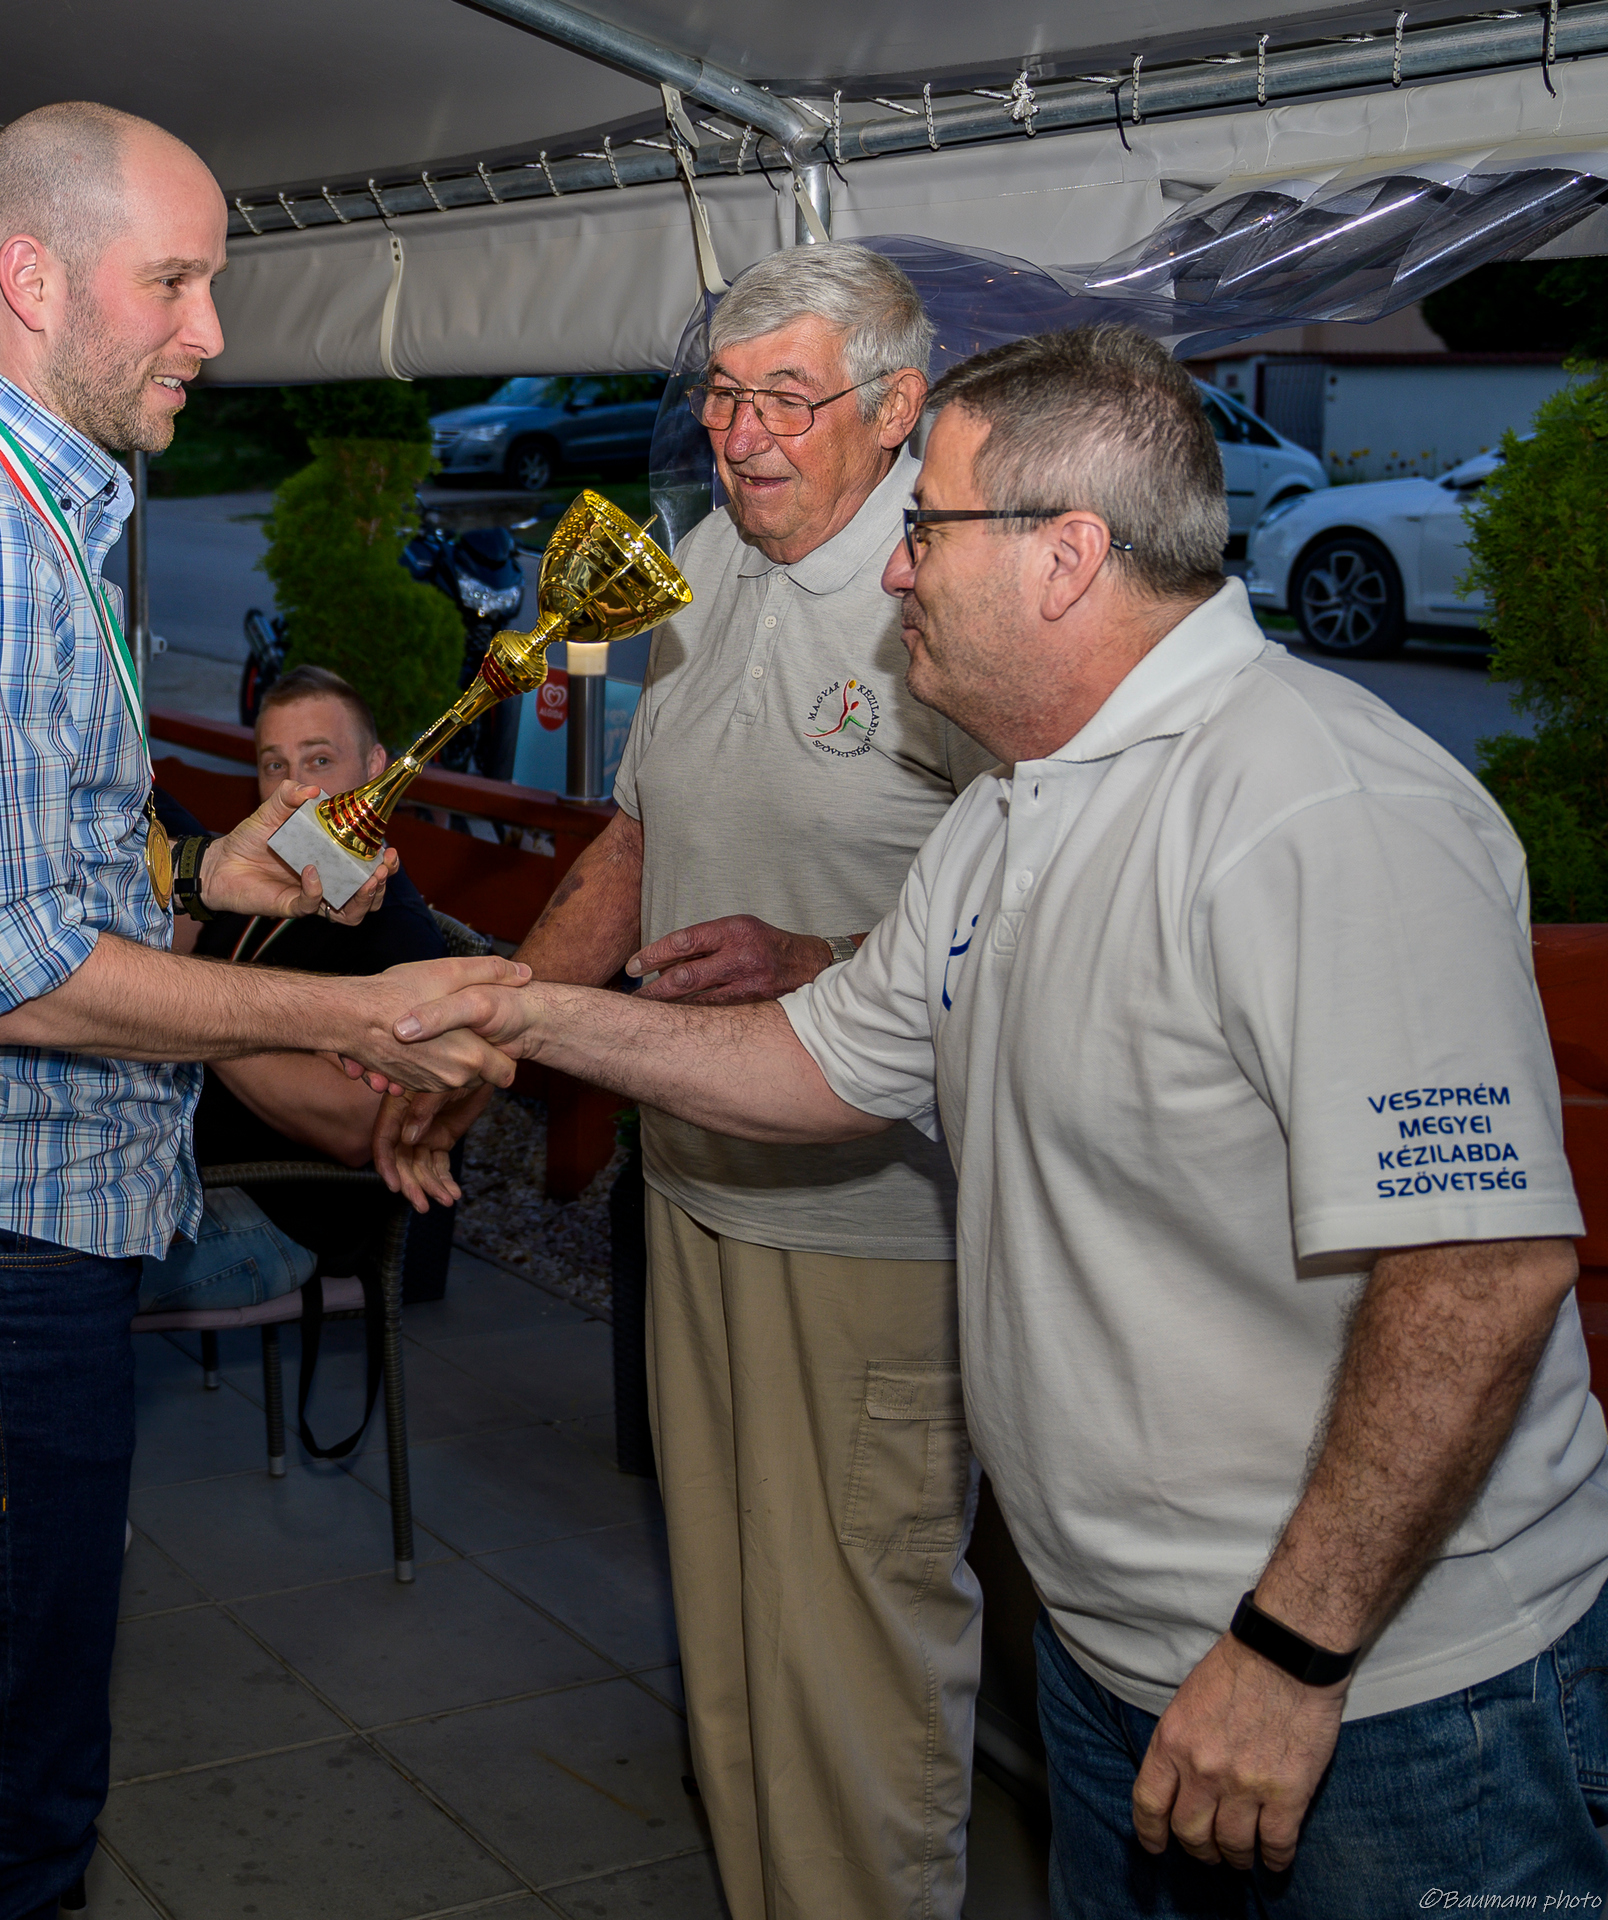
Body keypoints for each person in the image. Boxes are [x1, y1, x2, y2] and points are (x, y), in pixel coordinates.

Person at [384, 325, 1608, 1910]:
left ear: (1066, 555)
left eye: (925, 526)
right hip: (1118, 1659)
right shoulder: (1014, 808)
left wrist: (1291, 1651)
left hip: (1386, 1701)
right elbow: (817, 1064)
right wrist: (527, 1014)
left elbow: (1481, 1272)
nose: (895, 572)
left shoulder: (1323, 812)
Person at [0, 100, 517, 1919]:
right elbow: (18, 976)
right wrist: (356, 1022)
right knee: (8, 1810)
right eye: (174, 282)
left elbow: (19, 877)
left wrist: (204, 870)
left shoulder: (30, 514)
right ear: (34, 278)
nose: (212, 328)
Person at [393, 243, 992, 1920]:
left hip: (874, 1222)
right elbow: (635, 841)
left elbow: (1046, 913)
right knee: (726, 1629)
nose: (740, 435)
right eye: (723, 396)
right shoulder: (712, 560)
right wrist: (501, 1036)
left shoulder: (953, 598)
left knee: (856, 1652)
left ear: (896, 408)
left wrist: (821, 962)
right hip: (696, 1188)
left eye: (786, 398)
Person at [141, 664, 449, 1314]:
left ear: (376, 766)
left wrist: (194, 1014)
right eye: (274, 765)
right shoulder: (267, 881)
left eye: (320, 760)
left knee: (53, 1275)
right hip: (177, 1166)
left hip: (280, 1213)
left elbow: (359, 1126)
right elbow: (168, 954)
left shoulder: (395, 932)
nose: (297, 788)